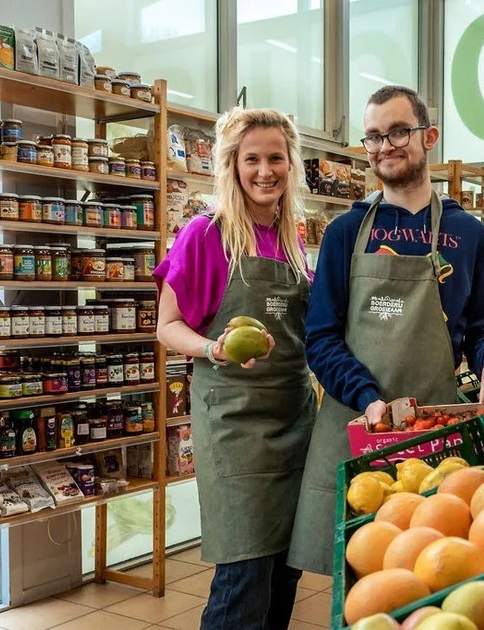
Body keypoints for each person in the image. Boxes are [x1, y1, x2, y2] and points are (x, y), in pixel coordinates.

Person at [287, 85, 484, 576]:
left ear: (428, 136)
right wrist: (368, 397)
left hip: (433, 432)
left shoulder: (469, 235)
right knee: (360, 583)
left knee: (433, 573)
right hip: (356, 424)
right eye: (373, 137)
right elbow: (321, 339)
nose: (385, 146)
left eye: (398, 132)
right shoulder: (345, 232)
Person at [153, 107, 316, 629]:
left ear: (291, 165)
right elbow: (167, 326)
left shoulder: (294, 241)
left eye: (276, 158)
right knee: (244, 575)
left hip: (294, 419)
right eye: (252, 159)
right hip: (235, 423)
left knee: (285, 570)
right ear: (232, 164)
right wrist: (213, 349)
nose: (265, 170)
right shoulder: (206, 235)